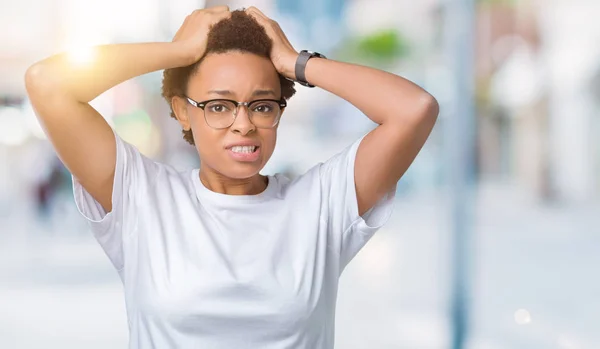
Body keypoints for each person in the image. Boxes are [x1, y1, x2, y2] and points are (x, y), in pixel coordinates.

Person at [24, 6, 438, 349]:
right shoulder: (141, 198)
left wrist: (297, 62)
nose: (244, 124)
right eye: (219, 106)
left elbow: (414, 109)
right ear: (183, 110)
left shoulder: (321, 205)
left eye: (261, 105)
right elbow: (47, 83)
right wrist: (178, 50)